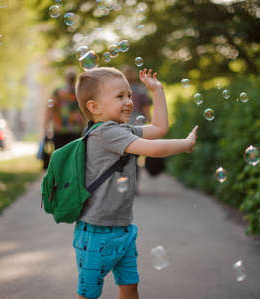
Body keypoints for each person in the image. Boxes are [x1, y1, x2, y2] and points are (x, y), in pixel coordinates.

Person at [73, 67, 198, 299]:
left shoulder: (121, 129)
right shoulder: (105, 133)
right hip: (96, 233)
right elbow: (154, 149)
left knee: (130, 287)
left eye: (129, 95)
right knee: (88, 293)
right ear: (94, 107)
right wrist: (186, 144)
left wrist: (158, 91)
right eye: (119, 96)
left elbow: (159, 129)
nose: (129, 101)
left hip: (123, 228)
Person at [42, 67, 85, 169]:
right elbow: (51, 108)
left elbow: (50, 109)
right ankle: (65, 179)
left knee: (63, 157)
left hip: (63, 128)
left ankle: (63, 179)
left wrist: (46, 125)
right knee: (70, 157)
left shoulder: (64, 91)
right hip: (68, 128)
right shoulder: (77, 91)